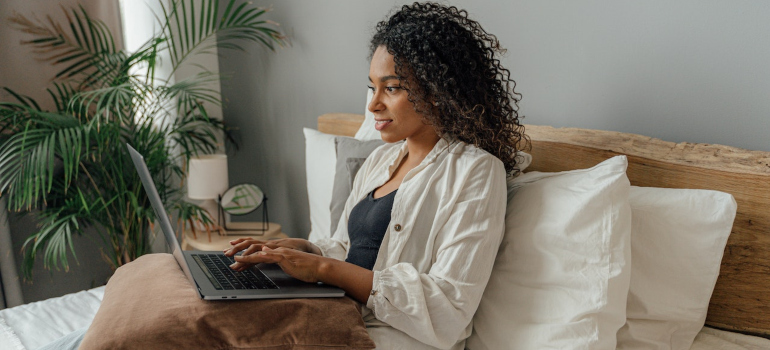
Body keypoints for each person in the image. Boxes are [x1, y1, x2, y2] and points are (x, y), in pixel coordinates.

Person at [225, 2, 526, 349]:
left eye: (392, 88)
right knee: (174, 283)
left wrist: (323, 270)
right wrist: (304, 250)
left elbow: (449, 309)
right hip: (332, 311)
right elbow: (346, 249)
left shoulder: (474, 171)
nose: (373, 105)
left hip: (381, 335)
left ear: (439, 91)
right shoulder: (380, 159)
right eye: (372, 87)